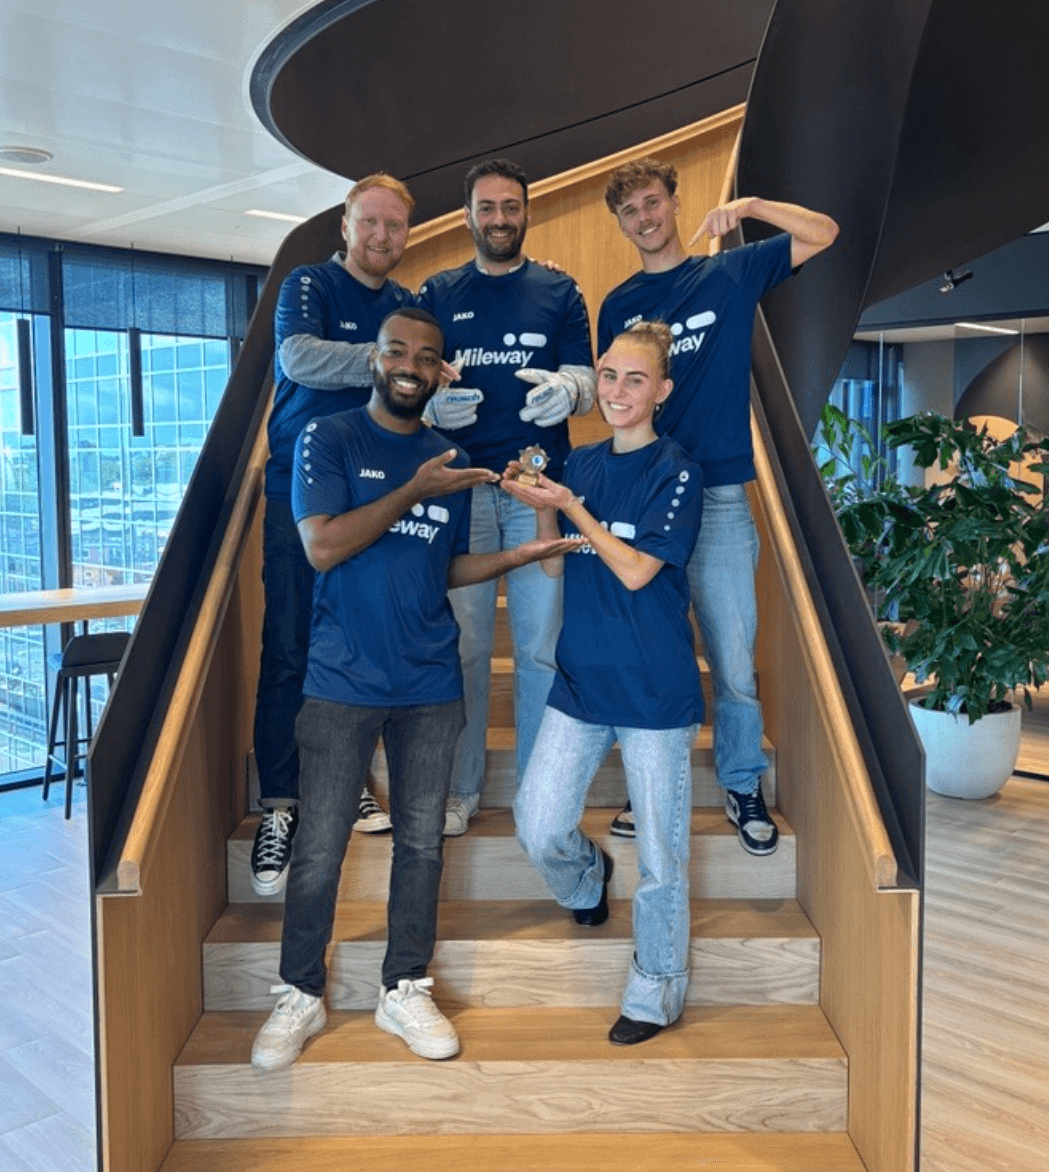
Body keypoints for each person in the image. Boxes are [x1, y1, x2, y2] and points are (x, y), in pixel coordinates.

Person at [250, 308, 581, 1070]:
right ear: (377, 359)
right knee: (320, 850)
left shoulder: (450, 458)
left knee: (423, 847)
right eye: (397, 349)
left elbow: (448, 567)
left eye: (426, 356)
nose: (409, 363)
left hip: (430, 685)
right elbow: (323, 545)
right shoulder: (327, 439)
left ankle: (403, 986)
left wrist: (522, 555)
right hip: (340, 683)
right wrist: (411, 489)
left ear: (440, 371)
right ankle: (299, 992)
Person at [598, 159, 838, 855]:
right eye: (630, 212)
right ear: (620, 224)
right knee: (654, 657)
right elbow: (618, 400)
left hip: (720, 498)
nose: (644, 218)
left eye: (652, 203)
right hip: (645, 501)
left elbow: (824, 233)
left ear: (674, 203)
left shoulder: (728, 273)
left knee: (732, 660)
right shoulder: (617, 305)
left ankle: (740, 783)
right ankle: (650, 787)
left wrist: (754, 203)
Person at [508, 322, 704, 1044]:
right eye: (609, 376)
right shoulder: (580, 463)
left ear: (660, 390)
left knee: (660, 862)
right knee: (537, 822)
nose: (618, 391)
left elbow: (634, 569)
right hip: (581, 684)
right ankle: (586, 878)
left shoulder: (677, 471)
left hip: (655, 695)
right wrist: (541, 507)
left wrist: (571, 506)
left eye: (634, 379)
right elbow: (558, 566)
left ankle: (655, 992)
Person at [417, 158, 596, 837]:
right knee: (460, 649)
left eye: (510, 207)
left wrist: (572, 390)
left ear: (527, 213)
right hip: (463, 492)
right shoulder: (438, 291)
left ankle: (535, 792)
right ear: (468, 214)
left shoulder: (559, 290)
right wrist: (434, 404)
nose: (498, 219)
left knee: (541, 650)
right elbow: (415, 376)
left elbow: (583, 369)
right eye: (486, 207)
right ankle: (459, 791)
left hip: (538, 490)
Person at [251, 174, 418, 898]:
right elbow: (300, 359)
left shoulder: (409, 304)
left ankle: (343, 780)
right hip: (300, 491)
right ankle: (281, 806)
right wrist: (394, 359)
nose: (381, 236)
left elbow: (416, 390)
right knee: (289, 645)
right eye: (369, 222)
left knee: (358, 647)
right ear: (347, 226)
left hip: (376, 500)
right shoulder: (308, 284)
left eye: (394, 226)